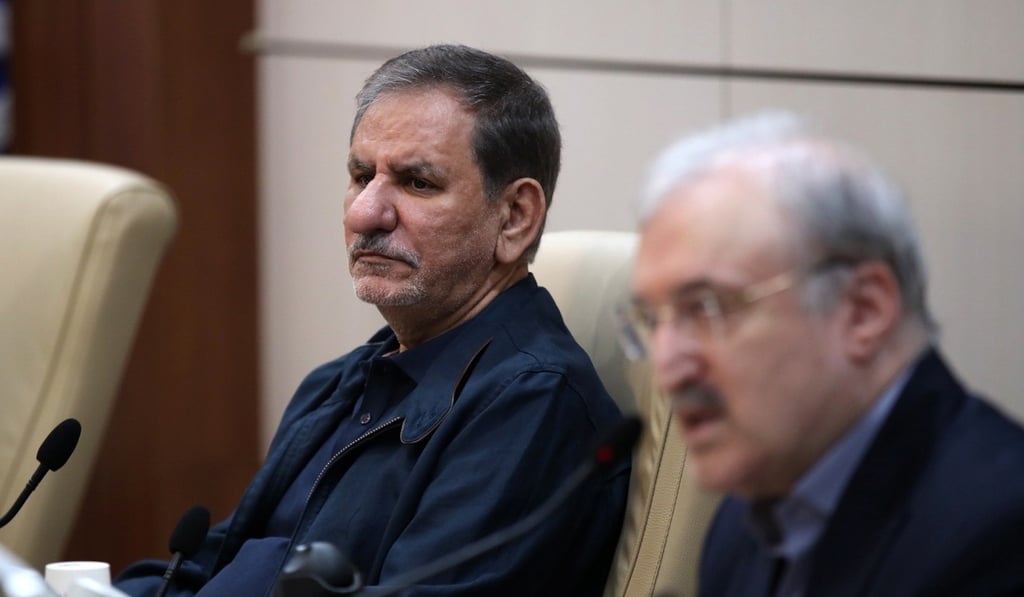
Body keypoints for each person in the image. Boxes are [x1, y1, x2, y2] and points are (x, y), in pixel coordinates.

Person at [115, 44, 629, 596]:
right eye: (362, 176)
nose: (365, 214)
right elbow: (203, 569)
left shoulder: (531, 405)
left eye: (417, 183)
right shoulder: (339, 382)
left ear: (514, 218)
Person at [621, 112, 1024, 596]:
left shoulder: (998, 533)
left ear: (862, 311)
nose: (668, 366)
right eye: (653, 320)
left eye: (707, 309)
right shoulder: (742, 521)